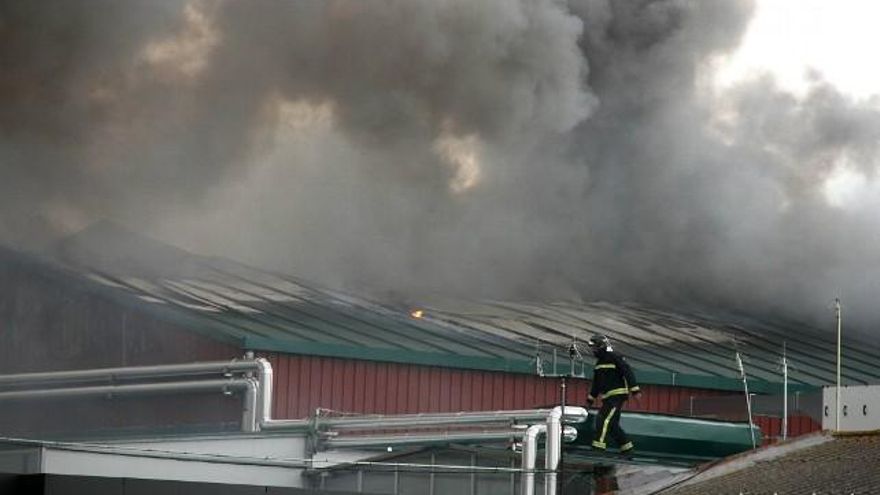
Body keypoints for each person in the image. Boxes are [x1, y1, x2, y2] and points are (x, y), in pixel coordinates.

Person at [585, 334, 641, 454]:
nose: (593, 351)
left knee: (603, 419)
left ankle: (598, 449)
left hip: (617, 396)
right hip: (607, 398)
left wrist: (635, 390)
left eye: (594, 347)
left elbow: (627, 372)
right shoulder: (599, 363)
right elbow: (596, 383)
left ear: (601, 346)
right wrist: (590, 399)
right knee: (612, 425)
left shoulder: (614, 357)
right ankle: (627, 449)